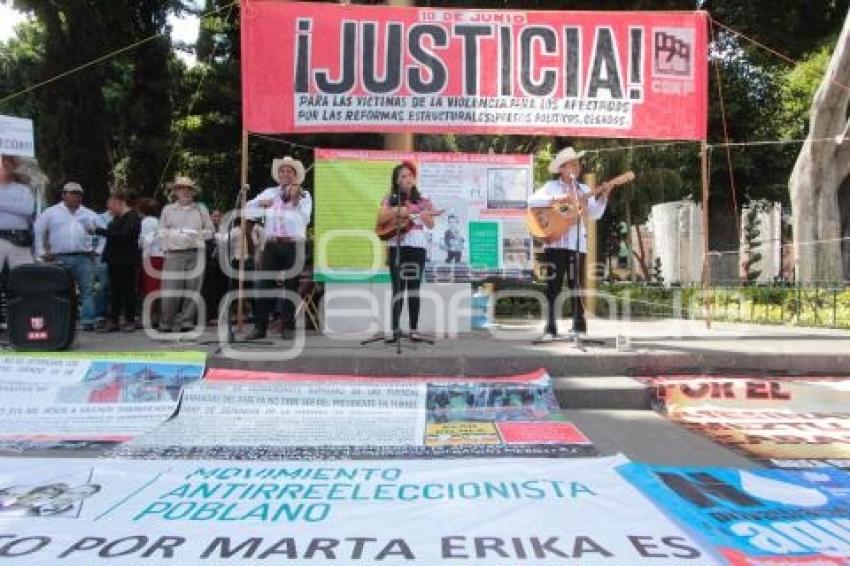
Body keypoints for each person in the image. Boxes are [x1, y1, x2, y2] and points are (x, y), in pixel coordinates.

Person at [527, 147, 611, 341]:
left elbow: (595, 214)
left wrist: (604, 197)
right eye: (572, 164)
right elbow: (531, 200)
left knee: (577, 286)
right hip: (555, 244)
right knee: (553, 287)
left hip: (577, 246)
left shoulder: (584, 190)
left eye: (577, 163)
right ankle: (550, 328)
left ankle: (578, 327)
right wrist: (556, 199)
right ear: (562, 168)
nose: (576, 167)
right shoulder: (551, 187)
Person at [244, 156, 312, 341]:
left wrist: (295, 201)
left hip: (294, 244)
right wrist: (260, 203)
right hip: (272, 243)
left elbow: (305, 219)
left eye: (289, 171)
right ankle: (260, 327)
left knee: (291, 285)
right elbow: (247, 210)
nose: (285, 174)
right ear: (278, 175)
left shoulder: (304, 195)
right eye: (282, 171)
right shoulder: (269, 192)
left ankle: (287, 327)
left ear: (295, 175)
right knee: (264, 284)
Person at [376, 161, 437, 341]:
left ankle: (413, 329)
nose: (407, 178)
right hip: (397, 246)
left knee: (414, 288)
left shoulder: (423, 200)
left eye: (410, 175)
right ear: (396, 180)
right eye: (403, 176)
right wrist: (399, 210)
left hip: (417, 246)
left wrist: (426, 218)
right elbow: (380, 216)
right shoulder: (390, 198)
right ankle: (395, 329)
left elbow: (431, 224)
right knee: (398, 288)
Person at [33, 182, 104, 331]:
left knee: (87, 290)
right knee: (58, 290)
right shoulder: (51, 212)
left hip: (83, 257)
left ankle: (88, 321)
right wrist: (40, 254)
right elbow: (38, 231)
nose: (76, 196)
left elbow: (104, 233)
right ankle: (60, 320)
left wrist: (97, 251)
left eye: (78, 193)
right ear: (63, 194)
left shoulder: (89, 214)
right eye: (72, 193)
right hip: (59, 257)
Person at [157, 176, 213, 333]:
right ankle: (166, 322)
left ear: (193, 192)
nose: (186, 191)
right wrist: (178, 236)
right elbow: (161, 232)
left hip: (195, 253)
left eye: (188, 189)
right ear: (176, 191)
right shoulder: (167, 209)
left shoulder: (201, 210)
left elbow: (210, 231)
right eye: (182, 188)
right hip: (174, 253)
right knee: (170, 289)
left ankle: (187, 321)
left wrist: (194, 235)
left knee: (193, 289)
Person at [95, 190, 142, 332]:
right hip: (113, 259)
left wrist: (101, 231)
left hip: (126, 260)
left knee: (128, 290)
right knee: (114, 291)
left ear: (120, 203)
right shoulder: (116, 219)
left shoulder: (133, 217)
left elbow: (124, 236)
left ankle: (129, 319)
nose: (110, 208)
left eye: (111, 204)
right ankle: (113, 319)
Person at [0, 155, 35, 270]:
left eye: (7, 162)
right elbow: (21, 208)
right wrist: (15, 207)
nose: (4, 165)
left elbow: (27, 209)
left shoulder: (23, 189)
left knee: (23, 275)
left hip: (19, 238)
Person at [137, 198, 163, 328]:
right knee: (158, 287)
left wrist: (144, 256)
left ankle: (147, 317)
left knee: (149, 288)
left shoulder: (147, 222)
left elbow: (146, 241)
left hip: (151, 257)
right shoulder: (158, 221)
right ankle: (157, 316)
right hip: (161, 256)